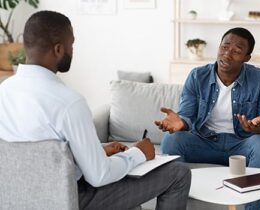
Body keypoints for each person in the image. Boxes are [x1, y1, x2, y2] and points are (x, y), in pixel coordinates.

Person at [0, 11, 191, 210]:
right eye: (71, 45)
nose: (73, 50)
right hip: (71, 200)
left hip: (20, 201)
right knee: (178, 173)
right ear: (58, 49)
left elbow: (37, 158)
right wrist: (138, 153)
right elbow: (99, 176)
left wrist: (97, 151)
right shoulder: (69, 103)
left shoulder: (3, 91)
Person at [155, 27, 260, 210]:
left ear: (247, 58)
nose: (227, 54)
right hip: (205, 141)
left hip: (242, 144)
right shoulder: (198, 76)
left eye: (237, 51)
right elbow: (187, 115)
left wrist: (257, 128)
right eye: (224, 47)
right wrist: (181, 123)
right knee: (171, 140)